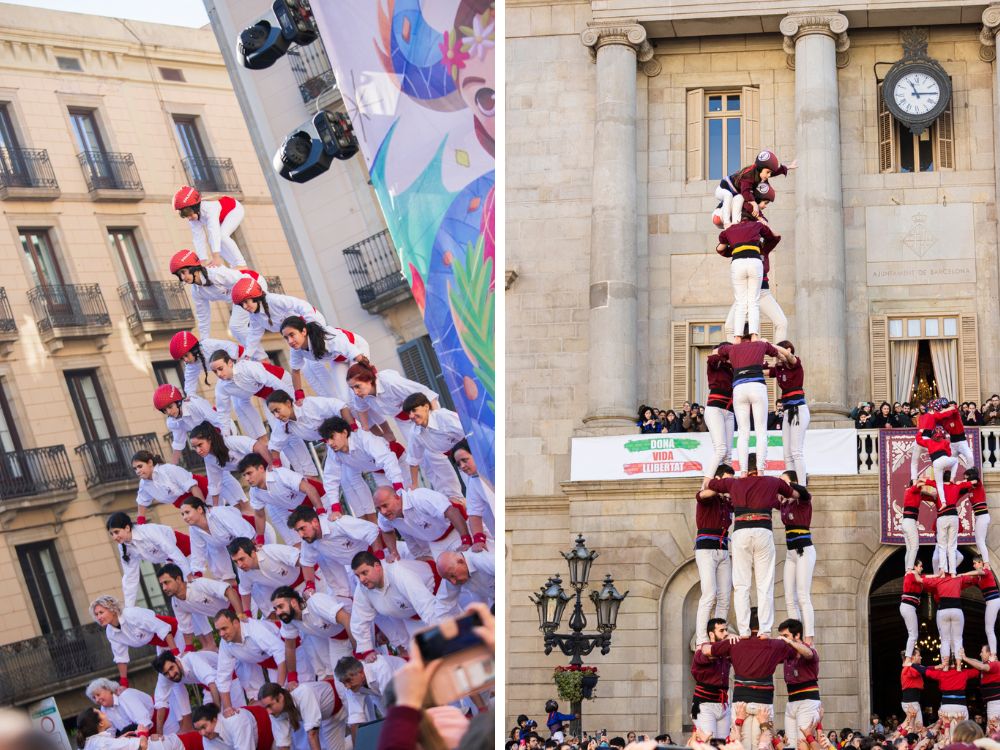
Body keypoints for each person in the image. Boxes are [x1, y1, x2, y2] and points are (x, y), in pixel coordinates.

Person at [698, 456, 796, 635]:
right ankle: (764, 630)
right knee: (764, 584)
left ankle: (744, 631)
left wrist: (722, 483)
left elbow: (709, 485)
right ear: (761, 466)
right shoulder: (770, 482)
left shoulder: (734, 485)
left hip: (740, 534)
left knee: (740, 586)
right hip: (761, 531)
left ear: (745, 466)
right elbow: (792, 494)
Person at [345, 361, 456, 490]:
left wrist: (436, 419)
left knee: (436, 455)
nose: (356, 391)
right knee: (424, 459)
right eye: (352, 388)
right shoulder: (360, 396)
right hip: (404, 421)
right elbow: (361, 410)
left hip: (425, 413)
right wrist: (365, 431)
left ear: (369, 380)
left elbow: (426, 393)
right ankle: (445, 494)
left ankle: (454, 495)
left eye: (357, 386)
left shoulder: (390, 382)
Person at [701, 609, 800, 747]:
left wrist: (727, 640)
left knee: (741, 744)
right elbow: (797, 653)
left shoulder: (735, 642)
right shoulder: (776, 645)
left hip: (741, 701)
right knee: (764, 745)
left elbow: (706, 650)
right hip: (763, 702)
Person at [206, 352, 316, 476]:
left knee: (288, 429)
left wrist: (293, 402)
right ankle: (299, 473)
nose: (219, 374)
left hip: (281, 384)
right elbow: (223, 413)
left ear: (230, 363)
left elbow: (274, 382)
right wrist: (225, 437)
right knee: (280, 433)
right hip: (267, 396)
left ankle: (309, 473)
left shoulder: (247, 367)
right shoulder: (222, 387)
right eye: (215, 372)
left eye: (220, 369)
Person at [349, 551, 454, 659]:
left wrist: (443, 631)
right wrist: (367, 650)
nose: (361, 579)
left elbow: (426, 605)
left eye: (365, 573)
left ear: (377, 566)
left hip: (438, 595)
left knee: (451, 643)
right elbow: (359, 619)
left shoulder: (399, 573)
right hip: (410, 616)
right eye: (358, 575)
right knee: (426, 656)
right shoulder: (362, 588)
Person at [715, 336, 795, 477]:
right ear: (753, 335)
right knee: (760, 431)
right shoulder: (759, 344)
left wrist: (732, 350)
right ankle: (760, 470)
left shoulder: (732, 348)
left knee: (742, 433)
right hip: (757, 386)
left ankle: (743, 471)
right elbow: (778, 353)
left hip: (739, 387)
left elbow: (716, 351)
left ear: (739, 336)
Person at [723, 184, 787, 343]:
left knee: (782, 322)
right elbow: (722, 248)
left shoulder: (763, 242)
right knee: (729, 327)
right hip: (746, 288)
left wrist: (761, 220)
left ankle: (778, 361)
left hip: (762, 291)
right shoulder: (741, 240)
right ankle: (736, 363)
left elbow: (775, 236)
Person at [169, 249, 266, 348]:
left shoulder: (215, 274)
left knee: (236, 326)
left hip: (255, 283)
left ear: (193, 268)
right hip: (241, 298)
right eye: (179, 275)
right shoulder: (196, 291)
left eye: (183, 272)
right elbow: (203, 315)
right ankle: (257, 355)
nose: (182, 277)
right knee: (238, 326)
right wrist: (204, 341)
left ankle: (258, 355)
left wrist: (254, 296)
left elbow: (245, 278)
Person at [318, 416, 407, 523]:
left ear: (345, 432)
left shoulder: (362, 437)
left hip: (397, 461)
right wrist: (335, 508)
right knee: (390, 508)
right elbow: (330, 478)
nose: (330, 443)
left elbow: (388, 459)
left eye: (332, 437)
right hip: (378, 470)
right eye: (327, 440)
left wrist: (399, 488)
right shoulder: (333, 452)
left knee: (407, 502)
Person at [237, 452, 329, 546]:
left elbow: (310, 489)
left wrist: (321, 511)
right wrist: (260, 538)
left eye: (249, 473)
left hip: (317, 496)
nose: (247, 478)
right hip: (297, 509)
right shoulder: (254, 493)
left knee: (329, 531)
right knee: (307, 543)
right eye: (244, 475)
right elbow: (259, 515)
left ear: (261, 468)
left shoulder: (280, 474)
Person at [285, 505, 384, 591]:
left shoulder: (337, 523)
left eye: (302, 528)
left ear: (315, 522)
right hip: (355, 569)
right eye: (297, 531)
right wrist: (310, 586)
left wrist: (380, 561)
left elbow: (372, 531)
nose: (301, 535)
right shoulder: (308, 540)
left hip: (378, 554)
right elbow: (307, 563)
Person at [90, 596, 181, 689]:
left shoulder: (131, 614)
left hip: (175, 632)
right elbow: (120, 657)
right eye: (96, 614)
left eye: (101, 612)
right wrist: (124, 682)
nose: (99, 617)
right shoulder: (110, 632)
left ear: (112, 609)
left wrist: (176, 654)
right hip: (162, 643)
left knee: (184, 667)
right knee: (167, 681)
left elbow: (162, 628)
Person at [270, 586, 353, 685]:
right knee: (341, 684)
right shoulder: (288, 620)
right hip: (338, 639)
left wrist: (359, 649)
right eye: (275, 609)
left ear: (293, 602)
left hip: (357, 626)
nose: (278, 612)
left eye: (280, 606)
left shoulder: (316, 601)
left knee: (366, 669)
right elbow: (290, 647)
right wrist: (292, 677)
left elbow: (347, 619)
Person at [716, 213, 778, 343]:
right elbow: (773, 237)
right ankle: (754, 335)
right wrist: (763, 224)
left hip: (738, 262)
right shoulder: (757, 225)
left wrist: (730, 227)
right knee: (753, 302)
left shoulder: (731, 229)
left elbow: (720, 246)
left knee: (740, 302)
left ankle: (738, 337)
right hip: (754, 262)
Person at [106, 512, 191, 608]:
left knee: (191, 594)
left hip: (187, 551)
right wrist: (129, 608)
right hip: (171, 559)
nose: (114, 537)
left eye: (116, 532)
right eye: (111, 534)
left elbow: (173, 551)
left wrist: (189, 575)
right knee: (181, 601)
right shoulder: (123, 547)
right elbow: (130, 577)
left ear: (127, 528)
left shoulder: (148, 531)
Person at [280, 315, 370, 404]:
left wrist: (369, 370)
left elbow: (354, 353)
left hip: (357, 349)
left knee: (359, 385)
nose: (290, 341)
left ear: (303, 331)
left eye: (292, 335)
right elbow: (295, 371)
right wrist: (299, 396)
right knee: (345, 398)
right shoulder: (295, 349)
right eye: (286, 337)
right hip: (338, 360)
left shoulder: (326, 338)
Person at [180, 497, 274, 581]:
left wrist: (254, 548)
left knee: (268, 570)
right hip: (241, 546)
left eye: (187, 512)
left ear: (200, 509)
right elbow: (198, 552)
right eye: (182, 514)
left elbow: (244, 532)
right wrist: (197, 574)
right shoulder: (193, 529)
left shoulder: (218, 513)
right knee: (228, 576)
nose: (184, 517)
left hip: (258, 534)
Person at [151, 651, 246, 734]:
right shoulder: (164, 675)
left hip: (229, 680)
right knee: (206, 723)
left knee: (235, 719)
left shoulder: (191, 658)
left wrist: (216, 713)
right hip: (209, 688)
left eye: (171, 668)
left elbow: (212, 682)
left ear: (177, 661)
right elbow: (161, 703)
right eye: (166, 673)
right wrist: (159, 734)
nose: (171, 674)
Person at [156, 564, 242, 652]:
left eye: (166, 582)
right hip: (228, 618)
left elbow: (230, 591)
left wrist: (241, 615)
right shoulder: (175, 603)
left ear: (178, 579)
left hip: (242, 603)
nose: (164, 588)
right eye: (162, 584)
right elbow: (186, 629)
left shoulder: (198, 584)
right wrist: (188, 650)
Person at [374, 485, 473, 560]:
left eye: (385, 505)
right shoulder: (383, 516)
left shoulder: (419, 497)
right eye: (378, 508)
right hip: (434, 542)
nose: (383, 512)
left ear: (396, 497)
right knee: (449, 578)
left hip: (456, 530)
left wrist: (466, 539)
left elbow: (452, 511)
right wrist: (393, 552)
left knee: (469, 563)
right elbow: (386, 531)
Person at [213, 609, 286, 706]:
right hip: (266, 661)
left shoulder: (254, 629)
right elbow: (223, 676)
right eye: (218, 631)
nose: (221, 634)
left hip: (290, 649)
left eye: (224, 628)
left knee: (285, 695)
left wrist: (279, 688)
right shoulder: (225, 643)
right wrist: (227, 708)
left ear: (235, 623)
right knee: (273, 703)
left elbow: (280, 651)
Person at [186, 422, 267, 510]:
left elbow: (258, 446)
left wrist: (273, 465)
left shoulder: (229, 442)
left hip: (266, 467)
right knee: (252, 508)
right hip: (256, 479)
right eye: (194, 447)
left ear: (209, 439)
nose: (198, 450)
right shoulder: (208, 459)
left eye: (200, 445)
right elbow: (214, 483)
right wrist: (215, 509)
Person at [694, 464, 733, 645]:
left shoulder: (726, 503)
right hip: (706, 549)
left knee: (724, 596)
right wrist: (719, 487)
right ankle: (702, 639)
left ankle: (719, 634)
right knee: (709, 594)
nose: (728, 485)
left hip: (723, 549)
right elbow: (704, 494)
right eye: (726, 480)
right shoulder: (708, 494)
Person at [227, 538, 313, 617]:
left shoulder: (271, 551)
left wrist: (310, 585)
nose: (240, 565)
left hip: (307, 579)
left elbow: (302, 560)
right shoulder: (243, 571)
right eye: (235, 561)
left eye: (242, 559)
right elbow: (245, 591)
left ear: (253, 553)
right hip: (287, 595)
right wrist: (247, 614)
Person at [403, 392, 467, 499]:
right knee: (451, 494)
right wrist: (414, 484)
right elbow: (413, 460)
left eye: (414, 410)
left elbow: (469, 432)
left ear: (426, 407)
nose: (411, 416)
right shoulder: (414, 433)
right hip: (442, 457)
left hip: (468, 451)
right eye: (408, 413)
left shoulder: (443, 416)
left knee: (479, 484)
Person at [713, 149, 795, 229]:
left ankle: (735, 224)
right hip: (722, 189)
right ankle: (727, 223)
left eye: (770, 173)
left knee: (739, 198)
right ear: (760, 169)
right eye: (767, 172)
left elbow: (773, 171)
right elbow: (746, 192)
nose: (769, 175)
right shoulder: (748, 175)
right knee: (729, 195)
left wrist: (787, 167)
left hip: (735, 194)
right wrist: (754, 204)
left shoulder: (760, 173)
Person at [153, 385, 232, 466]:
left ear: (178, 402)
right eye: (164, 410)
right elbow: (178, 443)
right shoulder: (172, 422)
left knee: (237, 463)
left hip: (225, 432)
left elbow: (218, 422)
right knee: (217, 476)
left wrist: (229, 443)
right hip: (206, 446)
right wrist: (172, 466)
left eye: (170, 407)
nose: (169, 412)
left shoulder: (195, 404)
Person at [258, 681, 348, 750]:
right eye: (266, 707)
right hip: (328, 718)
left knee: (358, 730)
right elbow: (283, 745)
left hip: (344, 698)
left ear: (281, 697)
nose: (268, 712)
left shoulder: (303, 693)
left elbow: (312, 734)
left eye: (270, 705)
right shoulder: (275, 712)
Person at [779, 471, 815, 642]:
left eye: (784, 482)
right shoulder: (784, 503)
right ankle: (795, 635)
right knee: (788, 596)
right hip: (790, 552)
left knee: (802, 594)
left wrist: (789, 485)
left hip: (804, 550)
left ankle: (808, 636)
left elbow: (804, 492)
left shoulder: (803, 500)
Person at [172, 186, 247, 269]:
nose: (189, 218)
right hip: (222, 217)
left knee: (221, 236)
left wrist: (216, 258)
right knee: (214, 242)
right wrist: (203, 262)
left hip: (235, 210)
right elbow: (198, 239)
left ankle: (241, 264)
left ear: (195, 207)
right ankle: (234, 265)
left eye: (189, 214)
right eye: (185, 216)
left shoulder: (209, 207)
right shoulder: (193, 219)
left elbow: (214, 231)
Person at [131, 450, 212, 524]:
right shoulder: (143, 484)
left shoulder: (168, 470)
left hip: (206, 493)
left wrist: (203, 509)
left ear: (150, 462)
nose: (138, 471)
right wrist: (141, 524)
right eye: (135, 469)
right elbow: (142, 503)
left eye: (140, 466)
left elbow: (194, 487)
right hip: (189, 506)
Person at [85, 677, 180, 738]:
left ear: (108, 689)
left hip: (164, 723)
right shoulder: (104, 709)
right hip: (143, 735)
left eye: (98, 694)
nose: (97, 699)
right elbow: (111, 730)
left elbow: (143, 721)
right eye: (94, 697)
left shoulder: (126, 696)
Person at [923, 570, 983, 662]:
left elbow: (922, 580)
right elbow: (974, 579)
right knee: (957, 638)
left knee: (944, 639)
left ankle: (945, 664)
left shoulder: (938, 580)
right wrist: (965, 573)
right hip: (955, 609)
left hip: (942, 610)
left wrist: (934, 575)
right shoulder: (958, 578)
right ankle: (957, 664)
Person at [770, 342, 809, 483]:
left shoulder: (794, 362)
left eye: (779, 353)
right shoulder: (779, 368)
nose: (777, 356)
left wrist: (770, 345)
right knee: (787, 452)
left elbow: (787, 355)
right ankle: (792, 483)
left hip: (798, 409)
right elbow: (764, 371)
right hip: (788, 411)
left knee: (796, 451)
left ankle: (802, 486)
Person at [333, 654, 406, 730]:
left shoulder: (381, 668)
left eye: (349, 681)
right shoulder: (352, 685)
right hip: (383, 694)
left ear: (361, 673)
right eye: (344, 683)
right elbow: (355, 719)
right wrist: (358, 742)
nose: (347, 687)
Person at [778, 618, 821, 745]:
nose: (782, 639)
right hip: (792, 701)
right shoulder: (787, 653)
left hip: (807, 701)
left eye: (785, 636)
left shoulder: (808, 649)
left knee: (803, 742)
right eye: (781, 636)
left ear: (797, 635)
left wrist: (788, 642)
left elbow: (808, 654)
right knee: (791, 744)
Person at [690, 618, 732, 739]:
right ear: (711, 634)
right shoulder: (702, 650)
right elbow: (710, 655)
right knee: (708, 744)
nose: (726, 633)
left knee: (722, 744)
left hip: (723, 704)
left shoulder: (725, 652)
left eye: (726, 630)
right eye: (722, 631)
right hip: (705, 705)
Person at [703, 344, 735, 482]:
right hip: (715, 408)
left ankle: (726, 485)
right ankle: (706, 483)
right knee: (721, 449)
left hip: (729, 411)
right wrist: (721, 352)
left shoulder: (733, 367)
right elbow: (712, 358)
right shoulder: (715, 363)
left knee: (728, 454)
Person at [452, 439, 495, 538]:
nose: (462, 466)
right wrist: (478, 539)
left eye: (464, 460)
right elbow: (474, 512)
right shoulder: (473, 480)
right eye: (458, 464)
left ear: (476, 454)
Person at [191, 703, 274, 750]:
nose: (202, 733)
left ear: (214, 719)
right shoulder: (207, 736)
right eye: (198, 730)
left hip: (271, 729)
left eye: (204, 727)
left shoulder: (234, 721)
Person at [922, 654, 980, 720]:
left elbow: (924, 669)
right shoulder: (964, 673)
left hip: (946, 707)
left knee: (946, 729)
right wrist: (965, 658)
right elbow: (978, 668)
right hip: (960, 707)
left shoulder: (941, 673)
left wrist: (937, 666)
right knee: (962, 729)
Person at [901, 480, 936, 571]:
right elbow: (917, 487)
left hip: (906, 522)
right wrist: (926, 482)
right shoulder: (909, 490)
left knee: (909, 549)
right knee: (914, 547)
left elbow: (926, 495)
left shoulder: (917, 494)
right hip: (909, 522)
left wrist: (932, 495)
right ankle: (909, 569)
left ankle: (907, 570)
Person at [957, 647, 1000, 722]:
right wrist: (965, 657)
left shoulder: (995, 664)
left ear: (989, 653)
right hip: (993, 703)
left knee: (994, 730)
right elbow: (978, 662)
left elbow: (981, 666)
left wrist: (965, 658)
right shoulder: (989, 664)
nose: (980, 654)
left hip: (996, 704)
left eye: (982, 652)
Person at [959, 467, 991, 565]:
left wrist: (964, 481)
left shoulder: (978, 484)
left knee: (980, 541)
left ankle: (986, 563)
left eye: (966, 477)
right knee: (978, 541)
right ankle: (982, 561)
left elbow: (975, 480)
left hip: (983, 516)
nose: (965, 479)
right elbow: (959, 491)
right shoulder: (969, 488)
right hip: (978, 517)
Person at [971, 555, 1000, 655]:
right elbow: (972, 578)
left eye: (975, 563)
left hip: (993, 600)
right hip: (992, 601)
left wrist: (963, 573)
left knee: (989, 629)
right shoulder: (980, 576)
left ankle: (993, 654)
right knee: (989, 628)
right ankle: (993, 653)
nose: (973, 565)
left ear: (981, 562)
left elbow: (979, 572)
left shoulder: (986, 570)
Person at [935, 399, 975, 470]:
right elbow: (934, 417)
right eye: (942, 407)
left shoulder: (954, 414)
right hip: (953, 443)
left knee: (970, 457)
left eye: (946, 407)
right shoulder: (941, 419)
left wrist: (943, 410)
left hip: (962, 441)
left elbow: (954, 407)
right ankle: (948, 478)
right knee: (948, 463)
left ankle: (970, 475)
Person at [899, 561, 926, 659]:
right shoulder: (910, 575)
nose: (922, 568)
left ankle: (907, 656)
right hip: (908, 607)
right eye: (920, 566)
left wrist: (940, 575)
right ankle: (907, 658)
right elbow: (922, 579)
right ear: (914, 566)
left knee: (913, 635)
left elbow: (927, 578)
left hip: (908, 607)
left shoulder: (915, 575)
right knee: (913, 635)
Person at [900, 650, 925, 727]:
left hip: (911, 701)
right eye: (919, 655)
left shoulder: (909, 668)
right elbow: (922, 670)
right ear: (913, 657)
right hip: (911, 702)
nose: (921, 657)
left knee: (911, 727)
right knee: (917, 727)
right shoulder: (909, 669)